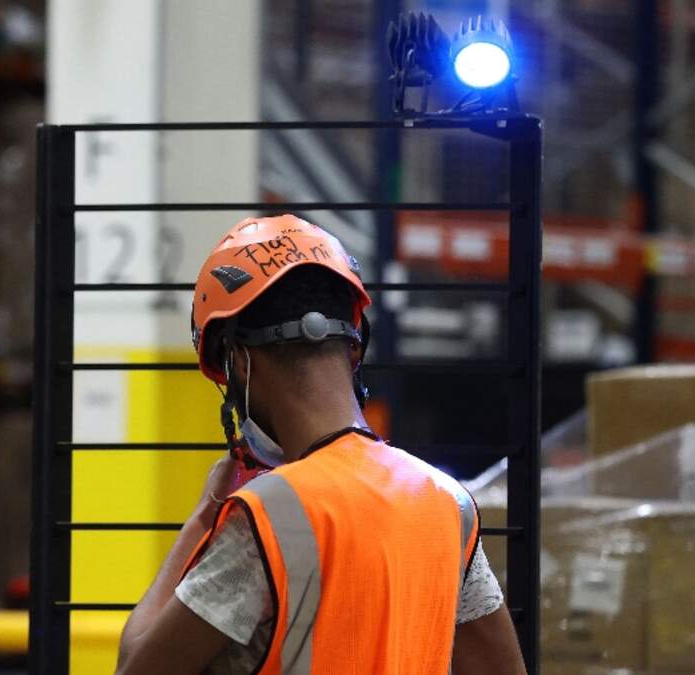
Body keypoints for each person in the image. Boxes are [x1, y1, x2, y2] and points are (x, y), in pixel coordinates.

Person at [115, 215, 526, 675]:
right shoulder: (448, 504)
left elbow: (136, 665)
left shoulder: (268, 515)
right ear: (354, 347)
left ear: (240, 362)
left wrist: (204, 515)